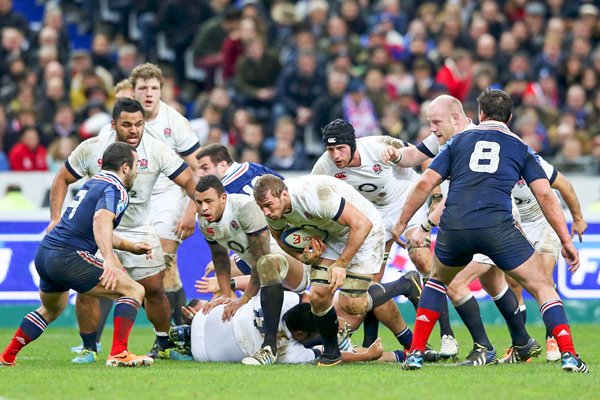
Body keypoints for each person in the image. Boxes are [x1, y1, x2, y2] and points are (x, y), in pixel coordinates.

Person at [393, 89, 587, 373]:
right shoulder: (520, 147)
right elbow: (546, 195)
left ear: (480, 114)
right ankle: (568, 355)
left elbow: (425, 184)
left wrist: (402, 223)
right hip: (498, 227)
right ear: (509, 117)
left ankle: (416, 354)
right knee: (543, 286)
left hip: (456, 226)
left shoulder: (457, 141)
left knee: (437, 281)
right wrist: (566, 239)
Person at [48, 98, 198, 362]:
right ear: (114, 124)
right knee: (86, 290)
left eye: (139, 124)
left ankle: (163, 343)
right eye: (127, 124)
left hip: (139, 227)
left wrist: (192, 210)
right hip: (96, 230)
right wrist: (54, 218)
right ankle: (89, 348)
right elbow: (61, 178)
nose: (134, 130)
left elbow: (188, 179)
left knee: (155, 289)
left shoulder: (156, 149)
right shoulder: (92, 148)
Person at [311, 118, 457, 356]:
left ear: (353, 144)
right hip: (374, 216)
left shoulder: (379, 147)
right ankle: (373, 340)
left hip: (407, 201)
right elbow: (314, 194)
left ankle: (447, 334)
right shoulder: (325, 166)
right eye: (330, 149)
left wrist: (437, 195)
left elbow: (425, 154)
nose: (335, 155)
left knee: (420, 257)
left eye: (340, 148)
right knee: (370, 285)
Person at [0, 143, 154, 368]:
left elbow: (99, 228)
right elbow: (101, 220)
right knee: (134, 290)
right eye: (136, 165)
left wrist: (130, 246)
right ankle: (119, 352)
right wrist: (110, 260)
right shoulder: (116, 188)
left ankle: (7, 355)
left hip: (46, 253)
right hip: (69, 256)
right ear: (125, 168)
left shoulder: (93, 183)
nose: (138, 171)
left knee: (50, 309)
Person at [252, 174, 385, 366]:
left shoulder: (314, 196)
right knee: (317, 297)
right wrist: (302, 257)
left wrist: (341, 263)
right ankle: (332, 354)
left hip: (364, 230)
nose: (266, 212)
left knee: (353, 306)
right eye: (261, 208)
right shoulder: (276, 213)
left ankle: (405, 285)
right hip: (331, 235)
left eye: (268, 205)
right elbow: (280, 237)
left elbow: (362, 224)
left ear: (284, 195)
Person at [131, 63, 201, 332]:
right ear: (134, 91)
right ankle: (176, 331)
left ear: (162, 91)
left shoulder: (175, 122)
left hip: (170, 196)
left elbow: (197, 167)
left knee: (162, 264)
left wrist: (190, 210)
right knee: (155, 274)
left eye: (154, 88)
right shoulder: (126, 120)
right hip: (137, 199)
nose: (149, 93)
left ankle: (168, 334)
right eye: (143, 88)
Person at [169, 292, 406, 364]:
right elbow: (332, 356)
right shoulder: (288, 352)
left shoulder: (284, 299)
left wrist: (230, 293)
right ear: (301, 335)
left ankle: (184, 334)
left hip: (204, 318)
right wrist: (365, 355)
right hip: (204, 354)